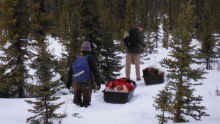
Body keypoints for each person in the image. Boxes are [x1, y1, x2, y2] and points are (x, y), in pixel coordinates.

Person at [66, 41, 104, 107]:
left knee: (76, 102)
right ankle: (85, 111)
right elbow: (95, 71)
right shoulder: (90, 58)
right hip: (86, 82)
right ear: (89, 49)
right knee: (86, 103)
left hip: (76, 83)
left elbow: (70, 71)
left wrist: (68, 82)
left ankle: (76, 109)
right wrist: (98, 81)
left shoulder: (75, 58)